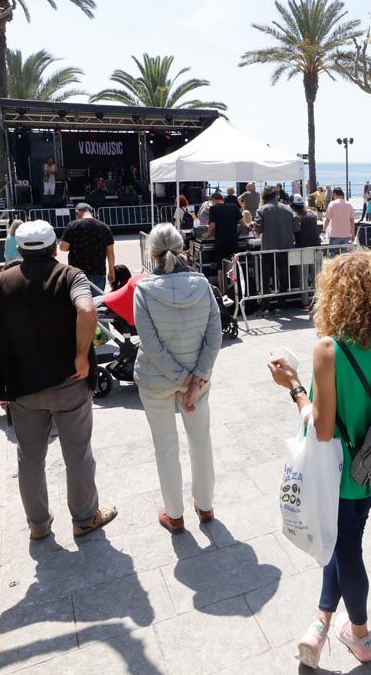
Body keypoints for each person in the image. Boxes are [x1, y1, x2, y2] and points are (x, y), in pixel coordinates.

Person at [267, 252, 371, 667]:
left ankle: (360, 636)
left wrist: (293, 386)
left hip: (344, 471)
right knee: (342, 538)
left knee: (345, 546)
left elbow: (322, 428)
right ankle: (321, 620)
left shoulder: (329, 350)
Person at [0, 220, 117, 540]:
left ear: (20, 249)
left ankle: (38, 526)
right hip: (69, 382)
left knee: (30, 458)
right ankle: (84, 519)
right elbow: (86, 310)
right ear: (55, 248)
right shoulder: (70, 276)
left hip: (22, 387)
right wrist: (82, 356)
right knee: (78, 454)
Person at [133, 224, 223, 533]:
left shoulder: (143, 289)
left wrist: (184, 378)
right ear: (183, 247)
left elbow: (150, 344)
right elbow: (215, 336)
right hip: (196, 380)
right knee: (201, 440)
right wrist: (195, 380)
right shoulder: (202, 285)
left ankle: (175, 514)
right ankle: (206, 504)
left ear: (152, 253)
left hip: (156, 380)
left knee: (165, 446)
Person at [255, 186, 301, 305]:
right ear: (277, 195)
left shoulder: (261, 210)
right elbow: (297, 227)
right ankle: (281, 304)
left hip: (268, 248)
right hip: (285, 247)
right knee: (284, 275)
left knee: (265, 276)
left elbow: (258, 229)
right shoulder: (288, 209)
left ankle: (265, 304)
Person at [60, 203, 115, 293]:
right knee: (97, 302)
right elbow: (110, 252)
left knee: (79, 302)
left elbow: (63, 248)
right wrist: (111, 271)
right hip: (98, 271)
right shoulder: (104, 227)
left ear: (77, 213)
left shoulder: (72, 225)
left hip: (77, 272)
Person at [202, 190, 245, 278]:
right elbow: (242, 223)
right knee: (234, 266)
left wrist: (206, 235)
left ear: (213, 200)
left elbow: (212, 226)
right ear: (222, 199)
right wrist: (237, 234)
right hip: (233, 242)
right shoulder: (234, 207)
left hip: (221, 242)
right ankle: (234, 289)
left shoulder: (213, 209)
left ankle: (222, 291)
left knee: (220, 268)